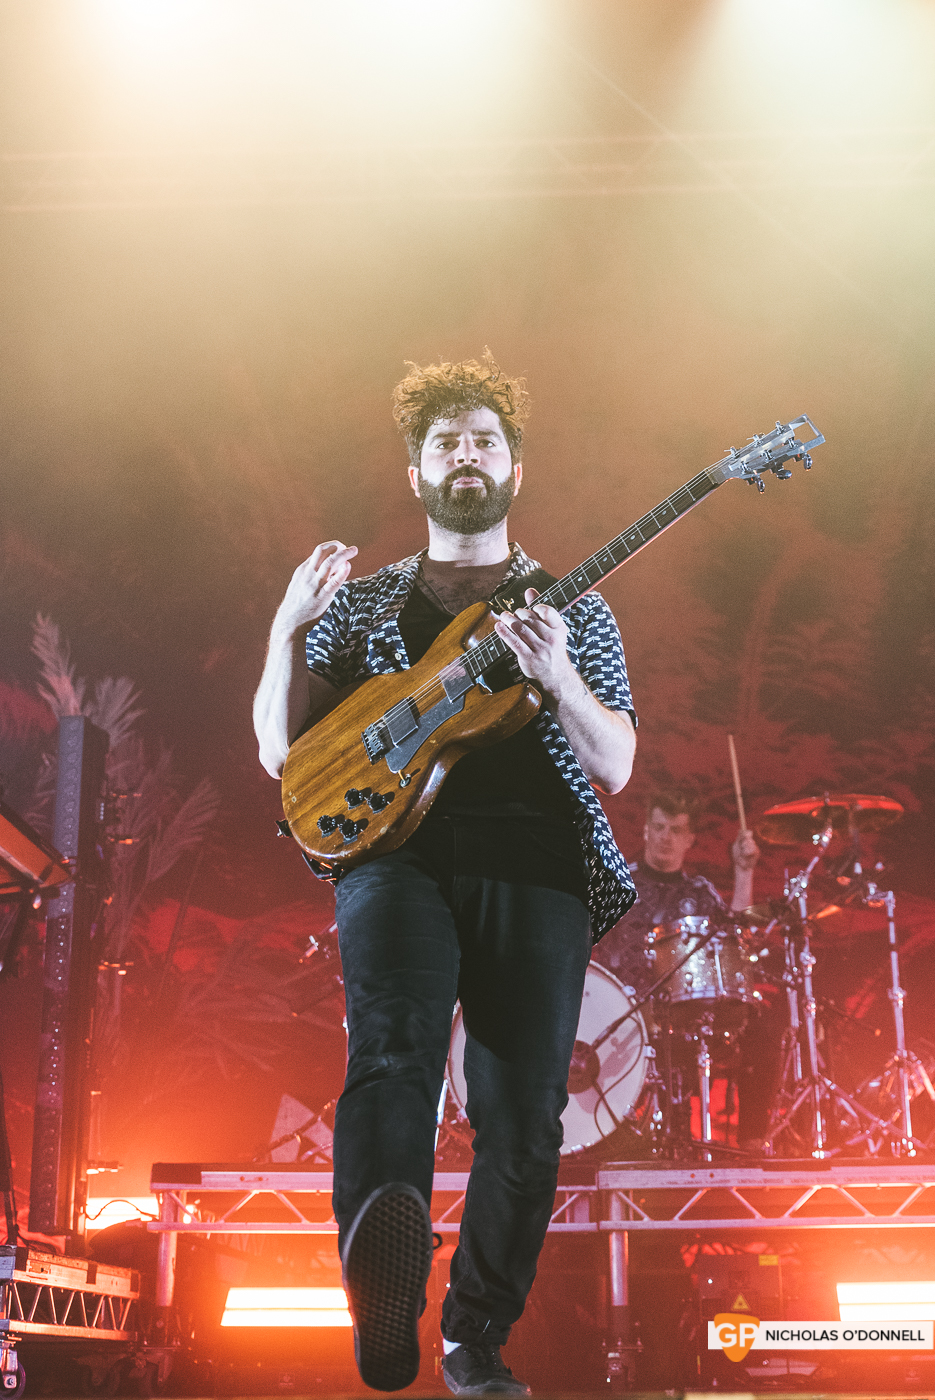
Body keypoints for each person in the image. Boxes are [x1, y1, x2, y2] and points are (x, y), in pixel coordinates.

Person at [253, 354, 637, 1395]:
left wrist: (554, 672)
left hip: (539, 857)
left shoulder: (574, 609)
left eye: (482, 439)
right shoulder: (367, 603)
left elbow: (616, 761)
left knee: (523, 1113)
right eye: (443, 441)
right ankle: (383, 1289)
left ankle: (475, 1336)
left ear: (517, 467)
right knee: (392, 1052)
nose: (464, 454)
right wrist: (287, 623)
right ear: (415, 469)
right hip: (395, 854)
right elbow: (279, 753)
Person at [593, 789, 774, 1149]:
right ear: (645, 830)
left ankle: (752, 1143)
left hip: (686, 1014)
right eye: (658, 827)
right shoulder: (617, 883)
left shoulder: (699, 891)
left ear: (689, 839)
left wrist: (743, 872)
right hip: (623, 1013)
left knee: (763, 1029)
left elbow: (738, 936)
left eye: (675, 830)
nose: (665, 837)